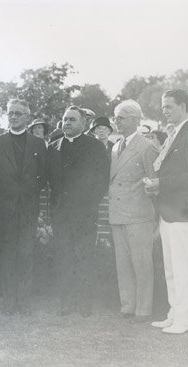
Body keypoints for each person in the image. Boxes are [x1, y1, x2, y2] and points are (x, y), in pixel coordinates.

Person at [145, 89, 188, 334]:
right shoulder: (173, 133)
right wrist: (156, 185)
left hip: (182, 211)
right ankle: (175, 313)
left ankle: (187, 319)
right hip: (168, 209)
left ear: (185, 106)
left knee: (183, 267)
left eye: (170, 106)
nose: (165, 110)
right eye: (163, 106)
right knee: (171, 266)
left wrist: (161, 184)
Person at [47, 105, 110, 317]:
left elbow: (101, 181)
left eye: (72, 120)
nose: (67, 123)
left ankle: (84, 303)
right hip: (61, 214)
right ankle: (66, 301)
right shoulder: (53, 146)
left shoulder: (94, 146)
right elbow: (50, 183)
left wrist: (89, 204)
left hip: (84, 213)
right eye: (65, 119)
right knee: (63, 257)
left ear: (83, 123)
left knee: (83, 257)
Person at [0, 99, 47, 314]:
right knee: (7, 254)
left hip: (28, 208)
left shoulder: (37, 144)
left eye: (18, 114)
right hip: (4, 208)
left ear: (27, 117)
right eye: (10, 113)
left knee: (25, 254)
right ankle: (8, 301)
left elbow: (42, 177)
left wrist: (28, 195)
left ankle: (23, 302)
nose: (13, 117)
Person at [109, 100, 159, 322]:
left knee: (141, 263)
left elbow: (155, 183)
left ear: (135, 120)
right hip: (118, 213)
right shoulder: (115, 146)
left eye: (121, 117)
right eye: (115, 117)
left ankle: (144, 309)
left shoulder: (147, 147)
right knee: (123, 263)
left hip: (139, 215)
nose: (116, 121)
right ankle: (127, 305)